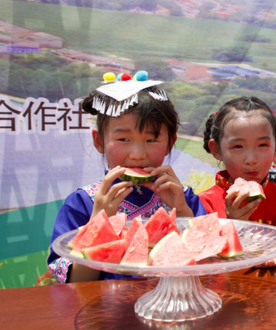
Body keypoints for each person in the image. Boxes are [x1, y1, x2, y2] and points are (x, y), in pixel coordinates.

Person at [48, 73, 206, 283]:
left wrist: (184, 214)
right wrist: (98, 222)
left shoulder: (186, 199)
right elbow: (76, 283)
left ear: (170, 143)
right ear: (99, 141)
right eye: (123, 139)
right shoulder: (82, 203)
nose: (138, 154)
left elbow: (208, 266)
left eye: (151, 140)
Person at [199, 96, 276, 227]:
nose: (251, 160)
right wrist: (231, 225)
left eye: (262, 145)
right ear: (217, 150)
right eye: (238, 147)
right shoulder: (203, 205)